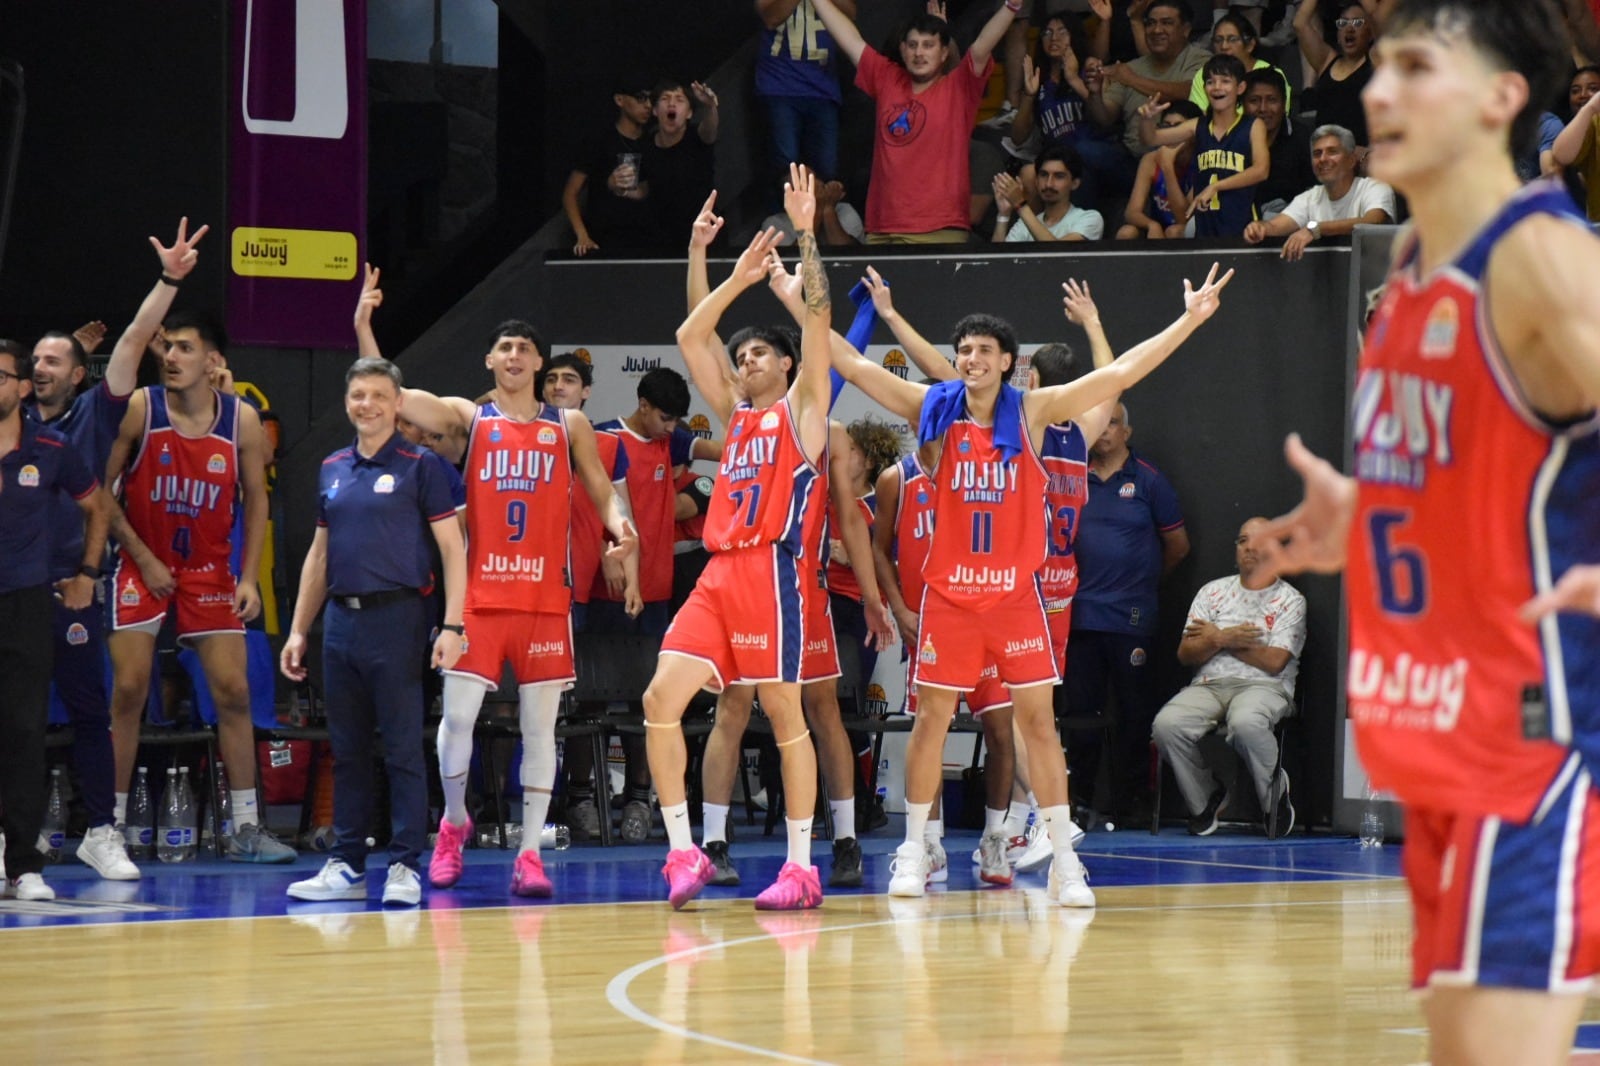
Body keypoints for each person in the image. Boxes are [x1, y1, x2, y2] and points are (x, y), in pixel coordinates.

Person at [1254, 2, 1600, 1059]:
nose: (1377, 92)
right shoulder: (1405, 270)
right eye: (1380, 68)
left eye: (1416, 68)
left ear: (1503, 98)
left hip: (1537, 748)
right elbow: (1489, 487)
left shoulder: (1541, 262)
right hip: (1449, 749)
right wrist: (1366, 515)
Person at [829, 257, 1233, 905]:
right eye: (962, 350)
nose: (970, 359)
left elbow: (1120, 373)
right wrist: (800, 300)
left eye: (984, 350)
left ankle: (1064, 860)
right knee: (932, 722)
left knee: (1038, 727)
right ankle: (914, 850)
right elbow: (851, 366)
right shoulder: (933, 408)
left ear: (1008, 360)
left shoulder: (1036, 410)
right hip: (951, 600)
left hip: (1017, 600)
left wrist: (1187, 321)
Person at [355, 274, 637, 900]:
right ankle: (454, 822)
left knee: (540, 732)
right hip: (478, 599)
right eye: (503, 348)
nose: (513, 357)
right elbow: (394, 399)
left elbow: (599, 490)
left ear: (540, 362)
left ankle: (530, 853)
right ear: (489, 359)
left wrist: (622, 530)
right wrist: (365, 326)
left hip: (544, 601)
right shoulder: (468, 418)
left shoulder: (568, 425)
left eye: (524, 349)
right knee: (457, 719)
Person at [645, 168, 838, 912]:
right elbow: (692, 334)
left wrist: (809, 232)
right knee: (661, 699)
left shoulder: (804, 411)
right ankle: (683, 853)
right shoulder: (736, 415)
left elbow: (817, 319)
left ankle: (799, 867)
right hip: (719, 574)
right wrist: (726, 272)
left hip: (771, 571)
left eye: (759, 353)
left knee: (784, 713)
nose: (746, 360)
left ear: (787, 365)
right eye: (744, 355)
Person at [23, 222, 204, 882]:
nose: (41, 370)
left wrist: (170, 280)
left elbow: (131, 341)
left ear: (78, 373)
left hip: (72, 586)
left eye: (53, 361)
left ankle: (102, 830)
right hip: (12, 588)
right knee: (14, 719)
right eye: (33, 362)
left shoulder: (95, 415)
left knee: (91, 712)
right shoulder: (9, 424)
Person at [104, 311, 297, 863]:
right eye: (168, 349)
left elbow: (257, 499)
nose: (171, 357)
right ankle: (109, 829)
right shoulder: (143, 407)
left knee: (234, 692)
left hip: (209, 570)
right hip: (145, 562)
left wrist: (248, 576)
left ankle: (244, 827)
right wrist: (140, 556)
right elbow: (103, 489)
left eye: (185, 349)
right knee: (130, 688)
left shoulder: (242, 420)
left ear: (213, 361)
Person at [280, 358, 466, 906]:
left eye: (379, 395)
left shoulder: (421, 466)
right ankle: (346, 864)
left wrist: (453, 624)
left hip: (399, 618)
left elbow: (454, 550)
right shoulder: (332, 467)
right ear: (347, 401)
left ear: (397, 401)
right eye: (358, 395)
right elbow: (319, 556)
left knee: (404, 747)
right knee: (349, 748)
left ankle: (405, 864)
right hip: (341, 623)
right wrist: (297, 631)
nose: (368, 405)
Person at [0, 339, 112, 901]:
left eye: (0, 376)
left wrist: (88, 572)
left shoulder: (51, 445)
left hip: (24, 601)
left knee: (23, 731)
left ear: (21, 387)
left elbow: (97, 506)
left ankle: (23, 864)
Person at [809, 0, 1022, 242]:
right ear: (902, 49)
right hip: (881, 227)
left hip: (938, 228)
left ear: (944, 53)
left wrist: (1011, 7)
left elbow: (982, 46)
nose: (919, 53)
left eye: (928, 45)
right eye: (912, 45)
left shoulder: (958, 87)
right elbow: (850, 40)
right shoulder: (887, 78)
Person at [1067, 401, 1189, 820]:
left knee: (1134, 713)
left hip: (1131, 619)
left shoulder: (1149, 481)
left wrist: (1141, 582)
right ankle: (1077, 800)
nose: (1103, 431)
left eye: (1111, 423)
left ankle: (1133, 800)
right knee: (1080, 713)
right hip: (1079, 615)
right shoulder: (1070, 476)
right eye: (1096, 423)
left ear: (1126, 432)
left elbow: (1178, 546)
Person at [1152, 516, 1306, 837]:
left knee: (1246, 722)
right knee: (1167, 725)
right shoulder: (1212, 593)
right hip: (1209, 685)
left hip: (1265, 687)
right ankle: (1206, 796)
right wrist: (1225, 638)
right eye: (1243, 541)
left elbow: (1275, 661)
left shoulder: (1290, 600)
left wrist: (1218, 639)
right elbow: (1185, 653)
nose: (1250, 548)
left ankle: (1273, 797)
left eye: (1260, 541)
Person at [1009, 12, 1133, 213]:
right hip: (1066, 168)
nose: (1054, 38)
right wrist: (1029, 96)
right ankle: (1042, 238)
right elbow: (1017, 137)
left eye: (1062, 32)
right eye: (1047, 33)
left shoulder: (1090, 70)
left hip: (1103, 155)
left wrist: (1074, 79)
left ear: (1074, 36)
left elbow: (1105, 120)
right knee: (1031, 172)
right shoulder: (1038, 81)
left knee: (1080, 152)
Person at [1156, 53, 1270, 236]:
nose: (1217, 87)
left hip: (1242, 227)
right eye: (1210, 82)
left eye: (1225, 81)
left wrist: (1216, 186)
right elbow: (1152, 138)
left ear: (1240, 87)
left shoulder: (1253, 125)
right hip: (1206, 228)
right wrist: (1145, 120)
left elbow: (1261, 170)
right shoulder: (1198, 126)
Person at [1244, 123, 1396, 259]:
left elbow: (1372, 223)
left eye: (1332, 152)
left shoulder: (1374, 188)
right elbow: (1276, 226)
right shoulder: (1309, 197)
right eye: (1317, 154)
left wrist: (1316, 229)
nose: (1323, 159)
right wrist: (1259, 228)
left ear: (1351, 160)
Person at [1084, 1, 1212, 159]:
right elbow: (1105, 118)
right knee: (1085, 149)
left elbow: (1187, 91)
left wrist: (1130, 79)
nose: (1157, 30)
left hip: (1182, 159)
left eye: (1167, 23)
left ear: (1185, 30)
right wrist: (1095, 93)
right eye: (1151, 23)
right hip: (1132, 157)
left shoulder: (1200, 59)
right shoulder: (1131, 67)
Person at [754, 0, 853, 195]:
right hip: (780, 85)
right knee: (784, 170)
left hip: (823, 87)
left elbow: (851, 15)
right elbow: (771, 17)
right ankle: (785, 223)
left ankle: (821, 221)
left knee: (826, 169)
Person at [562, 79, 657, 256]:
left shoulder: (654, 141)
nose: (648, 106)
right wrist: (583, 236)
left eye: (651, 99)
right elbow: (570, 193)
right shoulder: (600, 140)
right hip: (606, 238)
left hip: (647, 239)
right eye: (640, 98)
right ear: (620, 100)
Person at [643, 79, 721, 247]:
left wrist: (709, 106)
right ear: (655, 110)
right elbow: (644, 189)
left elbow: (710, 129)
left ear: (689, 113)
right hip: (660, 237)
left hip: (702, 235)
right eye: (665, 99)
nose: (672, 104)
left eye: (679, 100)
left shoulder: (697, 137)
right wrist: (616, 186)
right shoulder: (646, 144)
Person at [1115, 100, 1204, 238]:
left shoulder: (1202, 161)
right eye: (1166, 126)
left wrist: (1167, 167)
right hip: (1159, 228)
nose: (1171, 133)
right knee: (1127, 232)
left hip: (1189, 230)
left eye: (1178, 127)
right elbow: (1132, 212)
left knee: (1174, 231)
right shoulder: (1150, 159)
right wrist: (1152, 225)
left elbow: (1184, 218)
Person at [1293, 0, 1375, 149]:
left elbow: (1379, 18)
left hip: (1360, 156)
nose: (1349, 29)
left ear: (1370, 34)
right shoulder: (1326, 60)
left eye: (1357, 23)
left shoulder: (1376, 62)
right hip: (1326, 155)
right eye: (1343, 23)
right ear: (1338, 34)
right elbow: (1300, 23)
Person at [992, 145, 1107, 241]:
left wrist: (1020, 205)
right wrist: (1003, 215)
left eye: (1059, 176)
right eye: (1044, 175)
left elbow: (1055, 256)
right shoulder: (1024, 223)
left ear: (1075, 183)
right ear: (1036, 181)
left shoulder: (1089, 218)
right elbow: (996, 264)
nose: (1049, 184)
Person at [1188, 8, 1291, 112]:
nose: (1224, 46)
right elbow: (1199, 119)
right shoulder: (1204, 74)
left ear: (1250, 45)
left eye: (1232, 40)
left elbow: (1278, 117)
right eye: (1218, 40)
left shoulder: (1272, 74)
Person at [1243, 68, 1315, 218]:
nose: (1263, 109)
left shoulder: (1303, 136)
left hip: (1290, 216)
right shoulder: (1234, 136)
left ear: (1284, 104)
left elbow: (1314, 192)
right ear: (1243, 105)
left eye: (1272, 100)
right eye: (1254, 100)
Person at [1552, 64, 1600, 220]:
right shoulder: (1591, 124)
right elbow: (1561, 155)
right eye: (1575, 91)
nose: (1583, 95)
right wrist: (1591, 107)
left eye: (1593, 88)